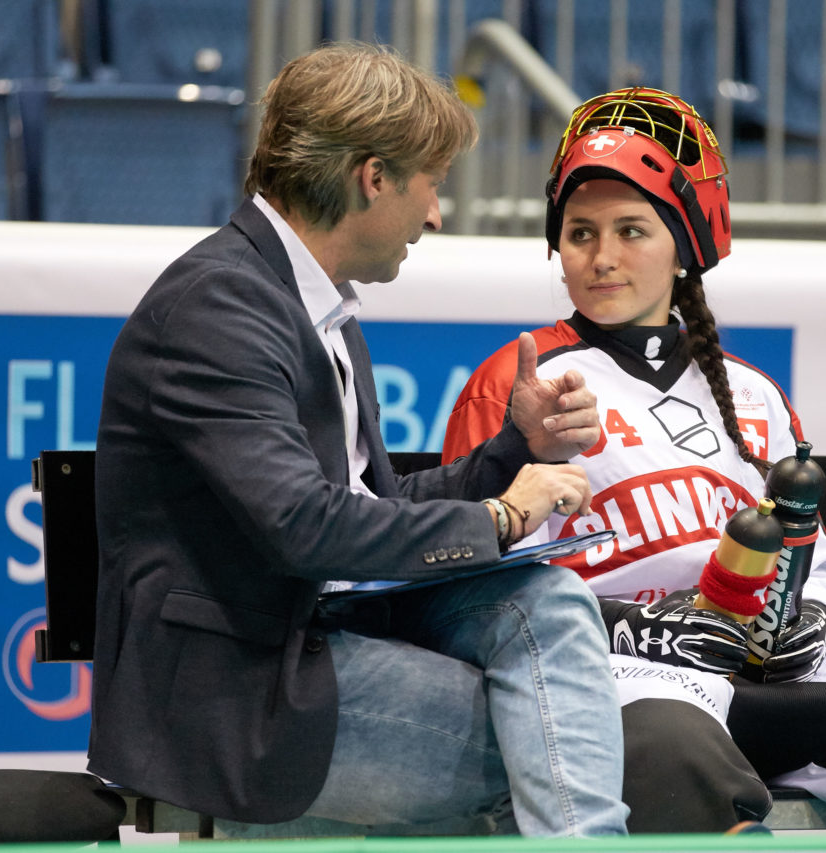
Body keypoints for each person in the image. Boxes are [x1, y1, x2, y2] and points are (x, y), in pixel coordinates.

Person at [442, 86, 826, 832]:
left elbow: (816, 568)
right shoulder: (519, 384)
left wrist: (810, 614)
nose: (602, 257)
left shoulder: (752, 392)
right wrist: (642, 628)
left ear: (685, 246)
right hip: (622, 680)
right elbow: (478, 589)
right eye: (580, 232)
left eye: (631, 230)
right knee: (677, 764)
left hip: (787, 680)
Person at [88, 43, 630, 838]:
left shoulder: (308, 302)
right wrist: (503, 518)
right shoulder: (220, 308)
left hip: (320, 636)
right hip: (240, 692)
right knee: (568, 748)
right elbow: (306, 525)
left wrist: (516, 447)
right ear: (373, 177)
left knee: (550, 605)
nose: (437, 213)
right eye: (432, 183)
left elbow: (370, 504)